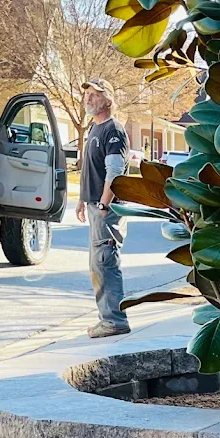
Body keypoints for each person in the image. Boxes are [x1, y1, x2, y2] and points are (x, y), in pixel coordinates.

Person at [76, 78, 131, 338]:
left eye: (94, 94)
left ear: (107, 99)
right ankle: (107, 318)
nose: (88, 98)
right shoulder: (94, 130)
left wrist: (103, 204)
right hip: (95, 206)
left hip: (107, 210)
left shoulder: (113, 131)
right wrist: (82, 200)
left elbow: (115, 172)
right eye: (86, 94)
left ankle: (115, 321)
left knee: (105, 263)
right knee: (97, 266)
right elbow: (92, 170)